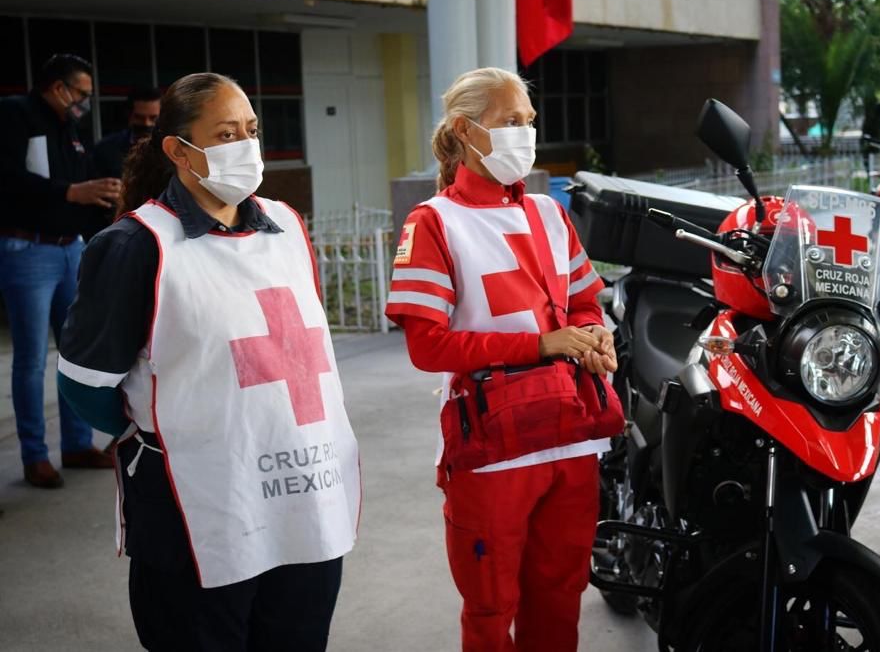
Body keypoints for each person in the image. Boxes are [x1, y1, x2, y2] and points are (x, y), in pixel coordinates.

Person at [57, 72, 361, 651]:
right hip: (196, 510)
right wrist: (160, 432)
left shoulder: (287, 227)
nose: (247, 146)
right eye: (226, 133)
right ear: (177, 149)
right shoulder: (135, 246)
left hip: (304, 503)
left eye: (251, 129)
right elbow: (83, 385)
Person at [385, 67, 616, 652]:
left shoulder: (548, 212)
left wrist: (593, 336)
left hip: (572, 436)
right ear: (466, 131)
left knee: (562, 596)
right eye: (510, 122)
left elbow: (585, 301)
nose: (525, 134)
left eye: (529, 122)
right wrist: (541, 344)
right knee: (490, 610)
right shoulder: (433, 222)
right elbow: (427, 346)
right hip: (492, 449)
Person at [0, 53, 122, 489]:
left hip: (71, 249)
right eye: (82, 95)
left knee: (75, 353)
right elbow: (8, 179)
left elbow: (81, 181)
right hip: (28, 249)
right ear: (58, 88)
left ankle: (76, 444)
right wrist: (72, 191)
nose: (85, 103)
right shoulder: (14, 116)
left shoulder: (69, 127)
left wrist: (101, 194)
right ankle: (35, 455)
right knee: (32, 359)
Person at [93, 86, 162, 179]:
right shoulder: (106, 149)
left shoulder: (174, 148)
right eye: (139, 117)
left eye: (153, 118)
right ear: (129, 116)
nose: (147, 123)